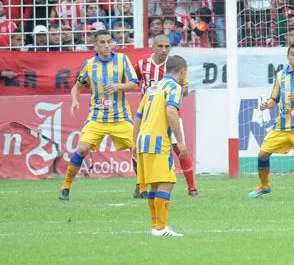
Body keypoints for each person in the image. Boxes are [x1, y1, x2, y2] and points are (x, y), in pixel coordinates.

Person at [59, 29, 139, 200]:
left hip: (120, 117)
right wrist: (74, 100)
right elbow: (77, 86)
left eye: (109, 41)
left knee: (138, 149)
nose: (107, 45)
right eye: (102, 42)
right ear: (95, 45)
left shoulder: (122, 59)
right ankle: (65, 188)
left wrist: (119, 86)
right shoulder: (89, 64)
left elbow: (134, 84)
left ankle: (141, 186)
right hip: (97, 117)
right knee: (82, 148)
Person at [249, 44, 294, 198]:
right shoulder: (280, 76)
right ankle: (264, 186)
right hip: (282, 126)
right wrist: (266, 105)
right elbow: (274, 100)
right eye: (293, 54)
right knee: (262, 155)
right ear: (288, 57)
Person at [134, 35, 197, 198]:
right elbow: (134, 82)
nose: (164, 50)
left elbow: (185, 89)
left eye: (167, 46)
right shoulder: (142, 65)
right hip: (151, 114)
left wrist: (167, 91)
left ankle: (191, 187)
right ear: (153, 46)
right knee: (146, 151)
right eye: (160, 46)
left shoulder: (174, 65)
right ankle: (142, 185)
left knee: (178, 149)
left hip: (170, 114)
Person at [133, 54, 189, 237]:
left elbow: (138, 116)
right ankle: (160, 228)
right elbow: (171, 112)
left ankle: (155, 226)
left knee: (155, 185)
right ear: (182, 71)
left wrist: (134, 142)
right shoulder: (174, 87)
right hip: (158, 142)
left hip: (143, 140)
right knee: (167, 182)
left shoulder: (152, 88)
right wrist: (180, 142)